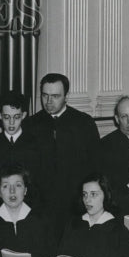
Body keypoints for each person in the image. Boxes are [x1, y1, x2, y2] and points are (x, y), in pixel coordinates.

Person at [23, 73, 100, 239]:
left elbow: (95, 167)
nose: (49, 102)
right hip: (41, 207)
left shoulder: (84, 123)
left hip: (75, 205)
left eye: (55, 96)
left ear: (67, 96)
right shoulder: (30, 125)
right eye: (45, 95)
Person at [0, 92, 46, 216]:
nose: (11, 123)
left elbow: (45, 184)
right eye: (6, 117)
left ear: (24, 115)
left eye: (16, 117)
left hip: (32, 213)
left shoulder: (38, 147)